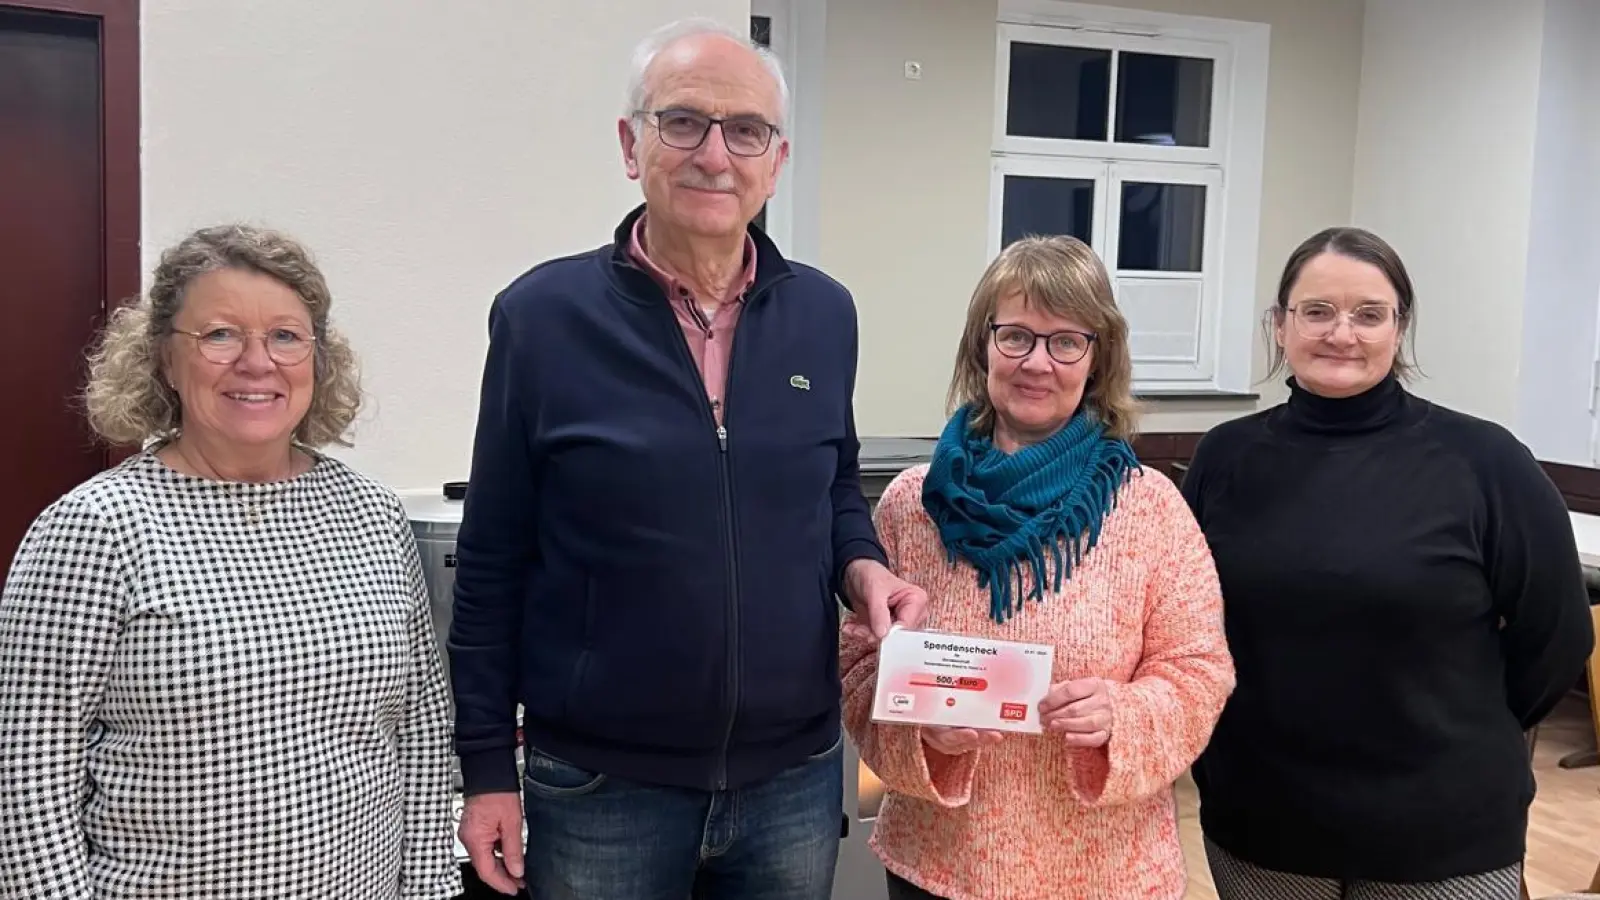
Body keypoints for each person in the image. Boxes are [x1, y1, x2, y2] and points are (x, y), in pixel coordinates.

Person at [448, 17, 927, 900]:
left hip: (793, 779)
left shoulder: (825, 315)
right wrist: (485, 770)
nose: (716, 153)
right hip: (600, 788)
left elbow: (829, 484)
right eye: (683, 123)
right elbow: (489, 560)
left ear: (775, 161)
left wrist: (864, 571)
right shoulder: (541, 318)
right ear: (632, 145)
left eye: (745, 130)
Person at [0, 224, 462, 899]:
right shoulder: (95, 529)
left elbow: (422, 728)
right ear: (163, 357)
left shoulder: (371, 514)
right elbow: (29, 775)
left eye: (285, 336)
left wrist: (427, 888)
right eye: (218, 334)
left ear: (318, 358)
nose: (256, 362)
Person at [1181, 226, 1595, 899]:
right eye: (1317, 311)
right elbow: (1191, 625)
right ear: (1280, 325)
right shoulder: (1225, 459)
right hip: (1265, 825)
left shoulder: (1486, 462)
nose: (1341, 333)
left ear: (1398, 329)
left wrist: (1454, 733)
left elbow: (1556, 638)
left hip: (1444, 835)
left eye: (1368, 314)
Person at [839, 235, 1236, 900]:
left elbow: (1200, 671)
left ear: (1097, 357)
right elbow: (857, 665)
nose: (1037, 362)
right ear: (982, 345)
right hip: (938, 867)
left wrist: (1125, 714)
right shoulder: (913, 505)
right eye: (1016, 336)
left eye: (1065, 341)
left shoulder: (1150, 509)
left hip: (1106, 874)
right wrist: (921, 729)